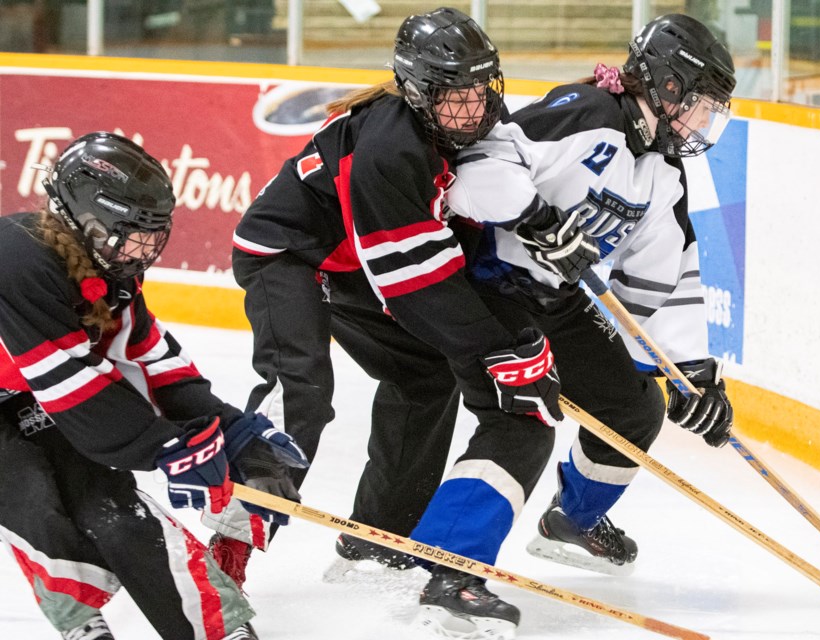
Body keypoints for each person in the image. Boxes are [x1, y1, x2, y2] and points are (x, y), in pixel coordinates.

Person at [213, 7, 584, 636]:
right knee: (300, 393)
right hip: (291, 256)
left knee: (424, 380)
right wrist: (501, 347)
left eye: (479, 89)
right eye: (453, 96)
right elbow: (414, 286)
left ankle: (376, 541)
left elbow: (443, 246)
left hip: (355, 259)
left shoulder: (457, 131)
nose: (472, 107)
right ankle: (222, 554)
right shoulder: (391, 148)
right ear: (416, 91)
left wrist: (535, 228)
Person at [441, 13, 737, 578]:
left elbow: (666, 269)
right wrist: (534, 218)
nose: (706, 120)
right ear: (669, 85)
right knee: (523, 422)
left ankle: (572, 521)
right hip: (488, 288)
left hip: (553, 297)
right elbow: (478, 162)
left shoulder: (662, 170)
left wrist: (688, 372)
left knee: (634, 405)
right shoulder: (586, 112)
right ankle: (449, 560)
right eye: (704, 103)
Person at [0, 132, 308, 640]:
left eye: (152, 231)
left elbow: (149, 361)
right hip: (39, 391)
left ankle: (217, 627)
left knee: (113, 507)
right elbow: (71, 386)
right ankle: (80, 622)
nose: (145, 246)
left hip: (30, 391)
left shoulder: (109, 272)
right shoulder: (17, 259)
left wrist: (234, 430)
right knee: (30, 498)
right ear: (86, 220)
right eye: (131, 231)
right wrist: (167, 447)